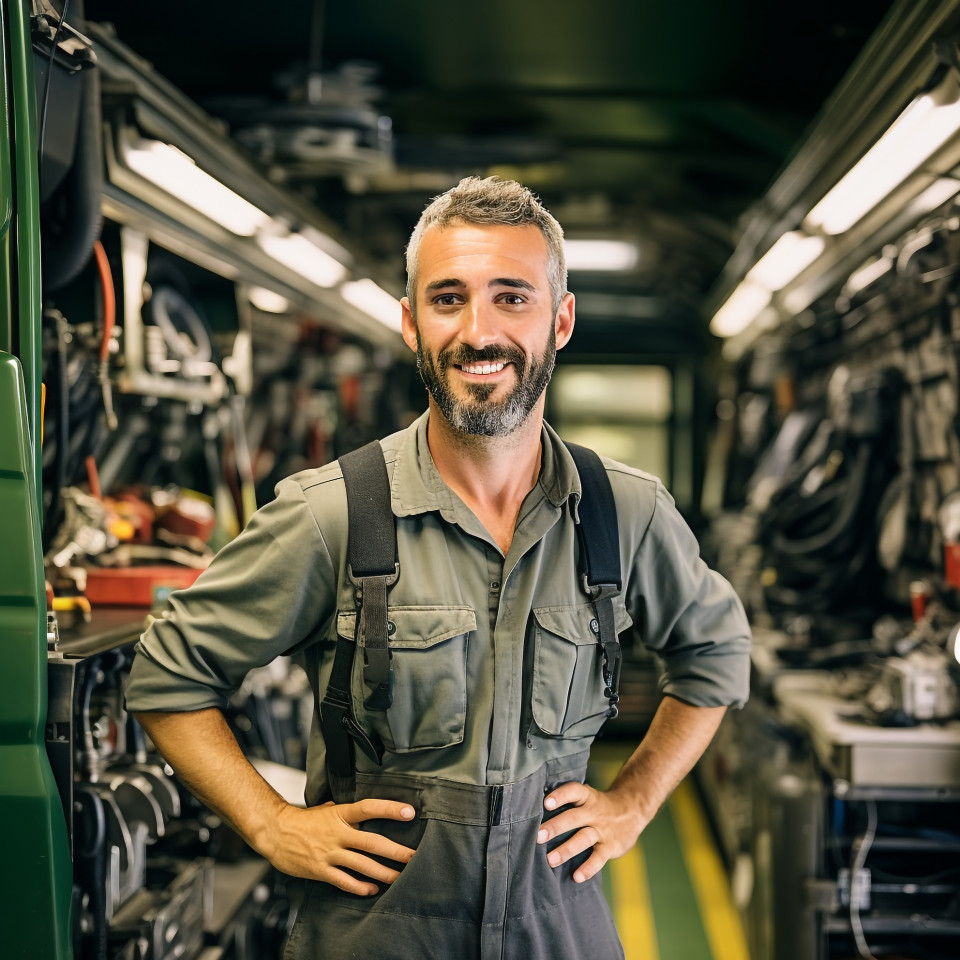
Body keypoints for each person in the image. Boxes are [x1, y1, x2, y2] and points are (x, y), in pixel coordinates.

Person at [125, 176, 751, 960]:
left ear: (561, 321)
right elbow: (167, 675)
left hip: (557, 933)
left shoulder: (627, 513)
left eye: (512, 298)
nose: (477, 332)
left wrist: (633, 802)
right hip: (376, 939)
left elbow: (716, 654)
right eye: (448, 299)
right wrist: (270, 822)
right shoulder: (334, 515)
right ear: (410, 324)